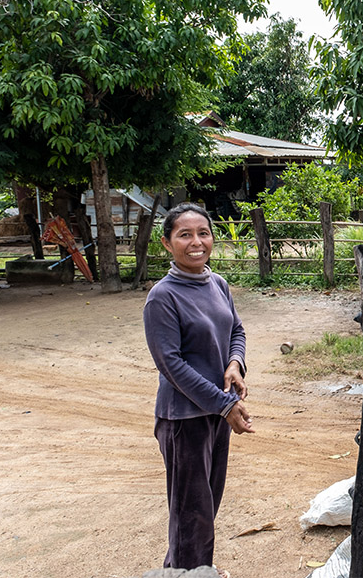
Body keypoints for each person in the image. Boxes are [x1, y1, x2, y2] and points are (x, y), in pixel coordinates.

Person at [143, 202, 254, 575]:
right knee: (192, 513)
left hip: (216, 413)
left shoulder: (217, 283)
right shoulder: (163, 296)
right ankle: (191, 572)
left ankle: (184, 571)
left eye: (203, 233)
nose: (196, 242)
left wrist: (234, 363)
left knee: (206, 507)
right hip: (184, 419)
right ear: (167, 243)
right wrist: (226, 405)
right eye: (184, 235)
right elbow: (171, 364)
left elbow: (236, 329)